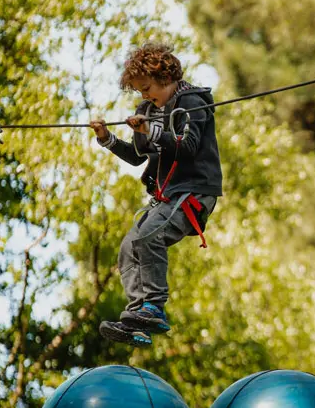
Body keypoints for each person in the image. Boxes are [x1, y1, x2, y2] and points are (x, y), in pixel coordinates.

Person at [89, 42, 223, 346]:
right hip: (167, 195)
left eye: (147, 87)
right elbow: (139, 157)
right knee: (128, 246)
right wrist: (107, 138)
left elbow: (187, 147)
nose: (145, 95)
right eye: (139, 91)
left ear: (166, 77)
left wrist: (150, 131)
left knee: (149, 236)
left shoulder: (191, 101)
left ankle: (153, 307)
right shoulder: (147, 110)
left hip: (193, 190)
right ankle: (138, 317)